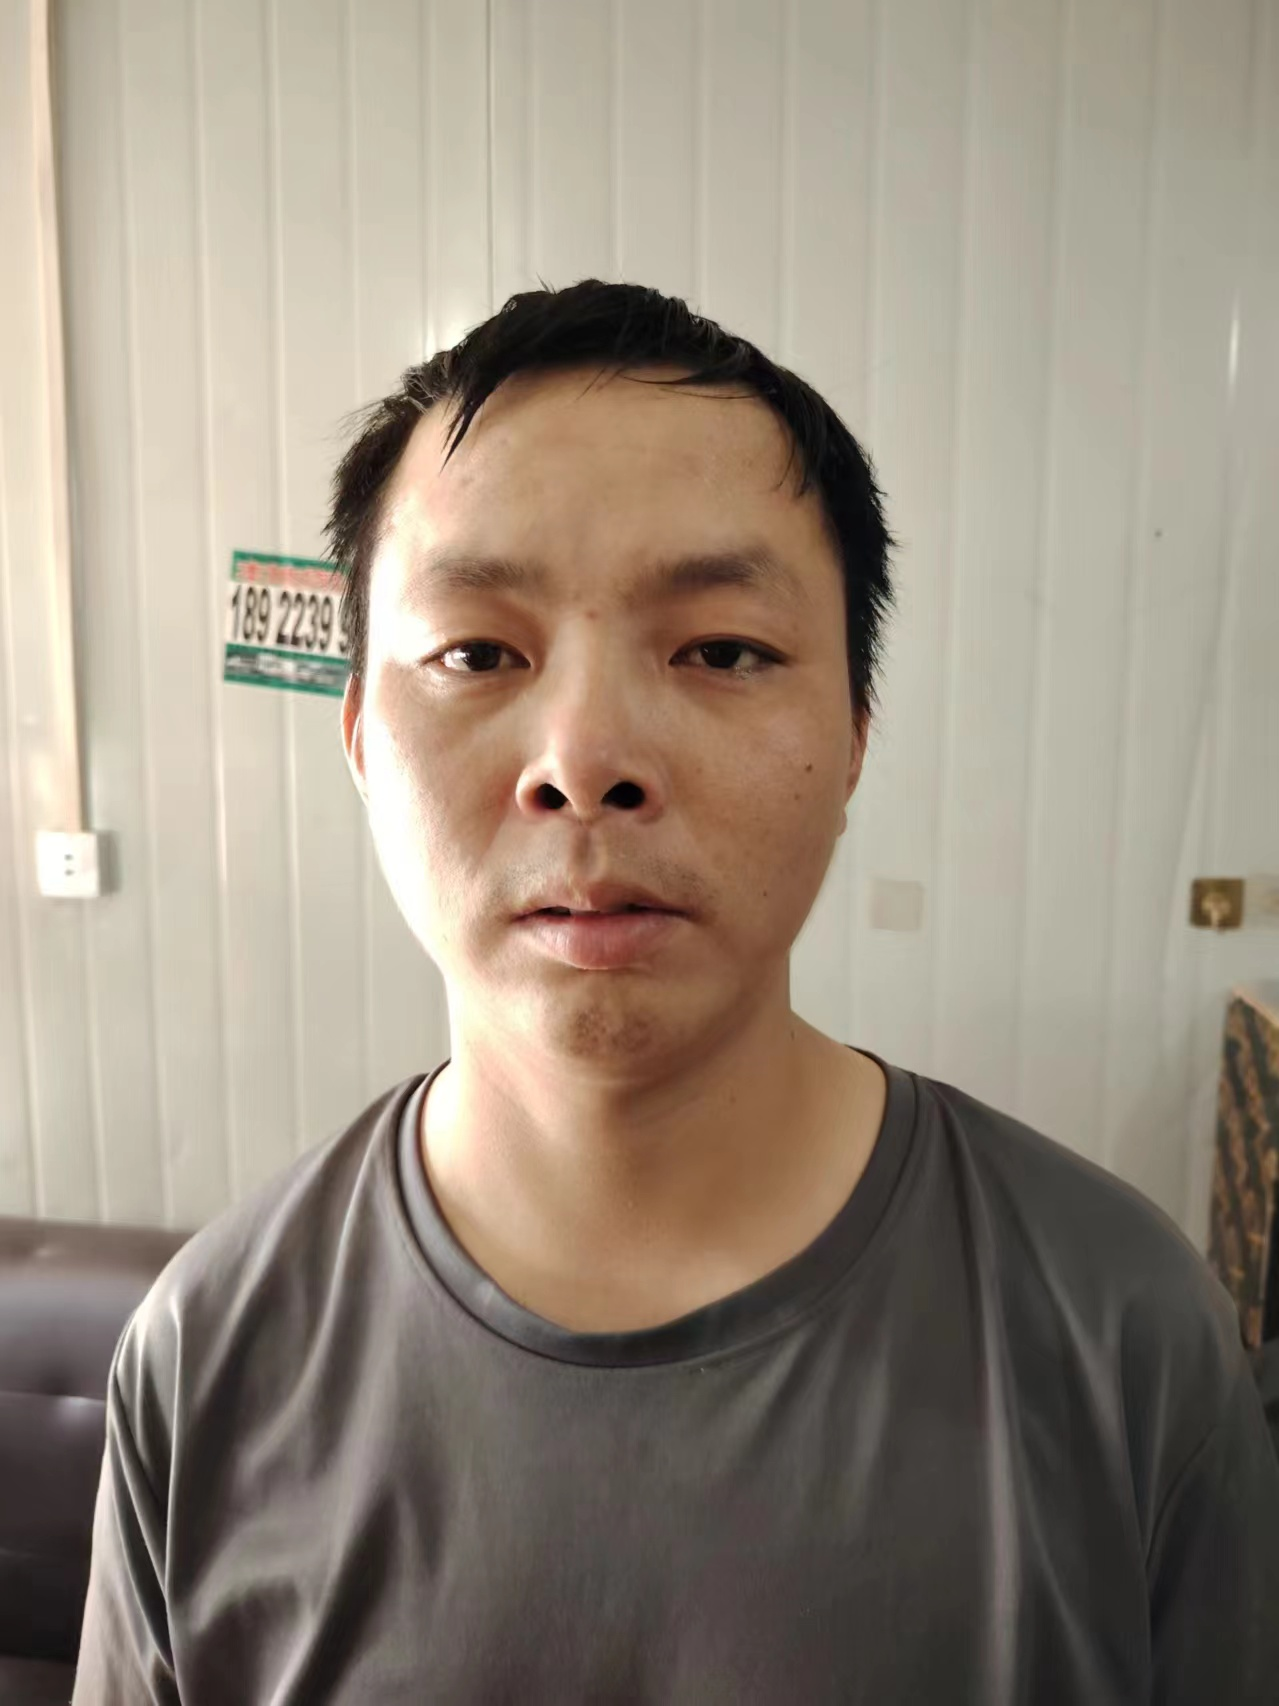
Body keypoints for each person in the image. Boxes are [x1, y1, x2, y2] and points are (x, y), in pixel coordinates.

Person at [73, 280, 1279, 1704]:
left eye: (721, 650)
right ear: (356, 735)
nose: (585, 759)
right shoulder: (206, 1362)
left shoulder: (1127, 1339)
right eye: (476, 653)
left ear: (853, 731)